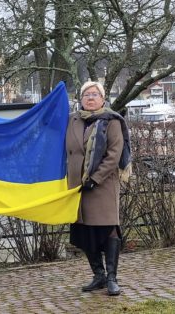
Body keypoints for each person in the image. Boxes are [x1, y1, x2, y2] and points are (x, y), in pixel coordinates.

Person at [66, 81, 127, 296]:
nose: (90, 98)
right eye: (86, 95)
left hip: (102, 186)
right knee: (85, 230)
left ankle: (112, 277)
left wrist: (95, 178)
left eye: (94, 94)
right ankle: (98, 275)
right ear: (80, 99)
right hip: (77, 186)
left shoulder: (111, 120)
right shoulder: (72, 120)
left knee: (108, 228)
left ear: (102, 98)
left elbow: (114, 154)